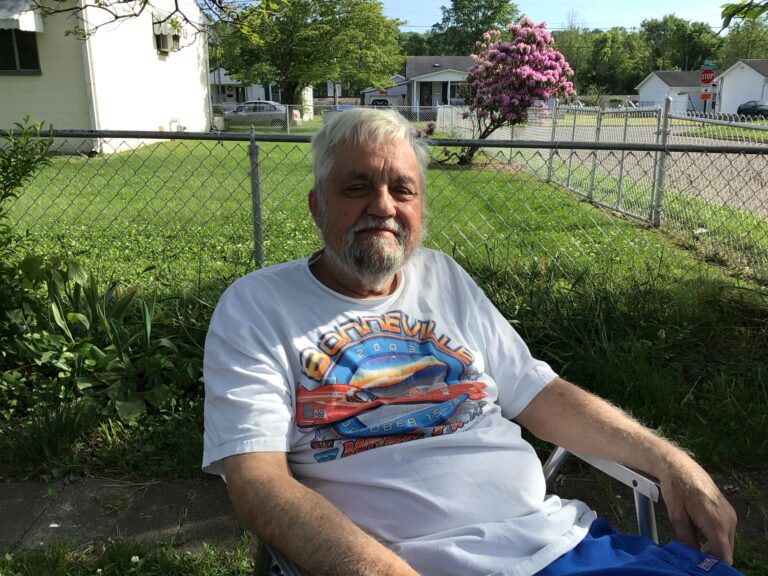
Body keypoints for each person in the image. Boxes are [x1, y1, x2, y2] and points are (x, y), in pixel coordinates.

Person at [202, 108, 739, 576]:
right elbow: (257, 480)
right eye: (358, 186)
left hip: (558, 546)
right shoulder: (257, 305)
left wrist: (670, 461)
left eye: (402, 189)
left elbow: (539, 394)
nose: (383, 206)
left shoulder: (443, 277)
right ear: (318, 205)